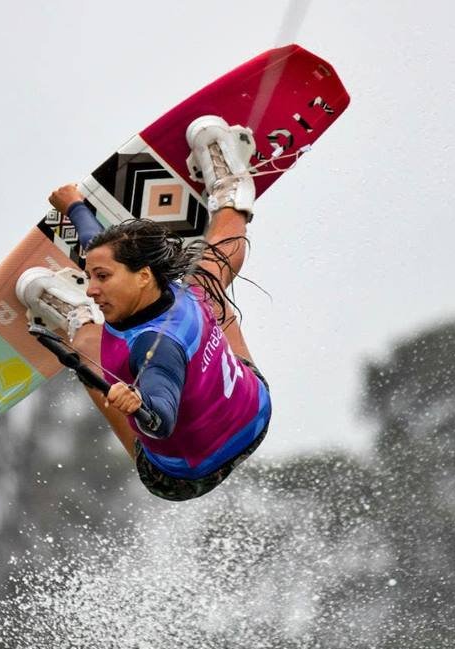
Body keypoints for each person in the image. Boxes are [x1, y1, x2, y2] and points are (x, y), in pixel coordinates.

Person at [15, 115, 271, 501]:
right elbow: (97, 246)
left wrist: (141, 408)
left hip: (184, 477)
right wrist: (76, 207)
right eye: (91, 276)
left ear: (143, 276)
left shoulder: (153, 350)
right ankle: (233, 189)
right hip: (253, 415)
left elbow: (162, 416)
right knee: (210, 280)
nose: (94, 288)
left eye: (101, 278)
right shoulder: (184, 293)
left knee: (89, 353)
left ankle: (73, 316)